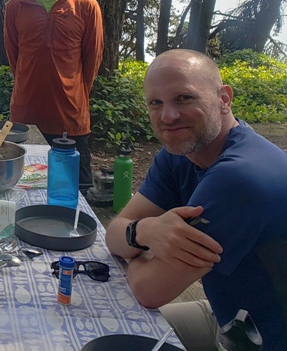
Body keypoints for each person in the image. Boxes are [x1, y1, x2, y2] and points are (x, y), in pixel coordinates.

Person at [106, 49, 287, 350]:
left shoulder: (240, 178)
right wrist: (145, 231)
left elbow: (149, 289)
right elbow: (115, 231)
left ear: (224, 99)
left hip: (263, 339)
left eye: (184, 98)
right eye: (156, 103)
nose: (168, 116)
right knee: (101, 321)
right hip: (229, 317)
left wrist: (135, 248)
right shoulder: (180, 154)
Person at [3, 0, 103, 190]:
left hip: (70, 115)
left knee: (75, 190)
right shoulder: (16, 6)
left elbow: (92, 60)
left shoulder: (86, 6)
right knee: (19, 186)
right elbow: (14, 57)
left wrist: (74, 91)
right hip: (26, 112)